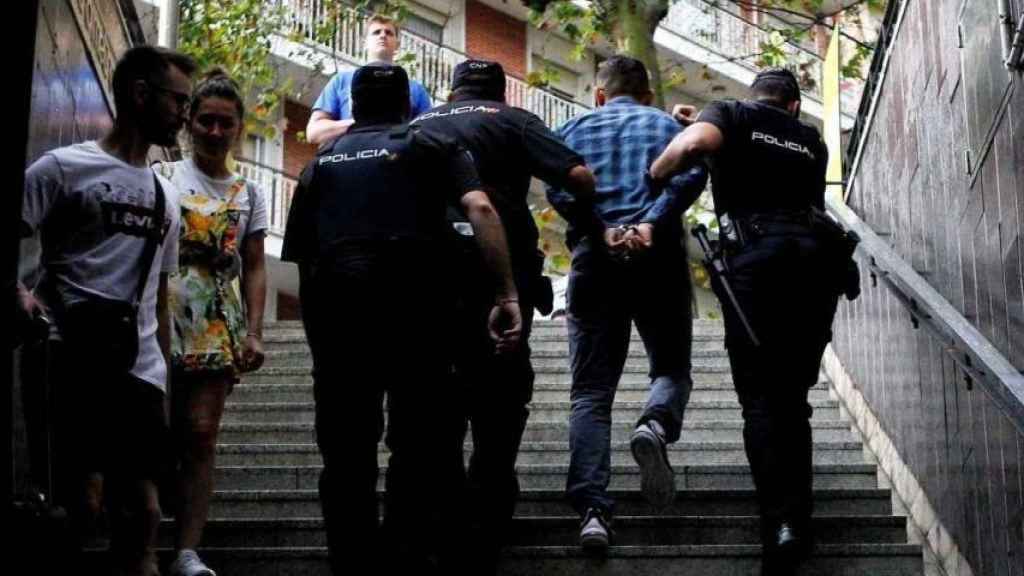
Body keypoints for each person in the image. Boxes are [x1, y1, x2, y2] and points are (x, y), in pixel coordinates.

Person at [281, 63, 522, 575]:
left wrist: (317, 341)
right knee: (418, 441)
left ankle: (353, 560)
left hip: (342, 318)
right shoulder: (430, 145)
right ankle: (406, 551)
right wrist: (505, 292)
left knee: (346, 451)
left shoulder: (318, 167)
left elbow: (303, 259)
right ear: (409, 106)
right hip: (419, 316)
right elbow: (480, 208)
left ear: (356, 106)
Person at [650, 67, 842, 575]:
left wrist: (657, 171)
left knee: (760, 399)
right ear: (795, 105)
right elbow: (768, 160)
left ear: (752, 96)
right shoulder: (811, 140)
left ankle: (776, 527)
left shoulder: (732, 114)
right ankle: (798, 522)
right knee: (792, 399)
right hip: (815, 268)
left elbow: (696, 145)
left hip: (757, 269)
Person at [411, 59, 597, 574]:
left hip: (426, 277)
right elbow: (579, 175)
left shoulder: (419, 126)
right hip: (500, 275)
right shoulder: (513, 120)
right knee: (500, 394)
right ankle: (488, 516)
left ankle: (445, 517)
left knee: (435, 400)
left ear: (449, 91)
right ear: (501, 90)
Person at [17, 45, 194, 576]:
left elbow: (159, 299)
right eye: (178, 100)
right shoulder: (62, 168)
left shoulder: (167, 198)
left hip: (137, 370)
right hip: (70, 358)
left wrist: (162, 381)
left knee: (143, 512)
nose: (183, 113)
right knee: (80, 507)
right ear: (140, 94)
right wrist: (18, 293)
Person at [547, 55, 707, 551]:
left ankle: (594, 512)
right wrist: (652, 221)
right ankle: (655, 424)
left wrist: (603, 228)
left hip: (595, 261)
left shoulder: (570, 127)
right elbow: (692, 175)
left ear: (599, 93)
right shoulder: (665, 125)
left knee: (591, 391)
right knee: (671, 369)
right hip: (657, 259)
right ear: (646, 94)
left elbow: (559, 187)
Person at [155, 69, 269, 576]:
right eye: (206, 121)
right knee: (157, 431)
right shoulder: (164, 177)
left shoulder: (250, 192)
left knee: (201, 433)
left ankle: (185, 550)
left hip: (218, 322)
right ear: (189, 122)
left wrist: (256, 332)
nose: (215, 132)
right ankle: (141, 530)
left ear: (239, 127)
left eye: (226, 123)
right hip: (160, 313)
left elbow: (257, 263)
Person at [305, 14, 433, 145]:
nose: (383, 35)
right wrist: (361, 123)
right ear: (365, 43)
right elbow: (314, 132)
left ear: (397, 44)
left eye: (389, 33)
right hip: (351, 157)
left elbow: (428, 134)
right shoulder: (341, 81)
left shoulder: (416, 89)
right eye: (376, 32)